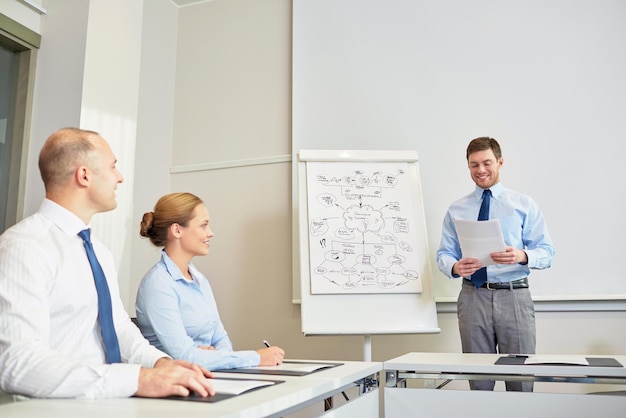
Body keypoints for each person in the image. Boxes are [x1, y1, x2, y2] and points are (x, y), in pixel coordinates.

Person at [0, 128, 215, 402]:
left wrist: (161, 364)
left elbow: (119, 328)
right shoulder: (24, 246)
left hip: (106, 403)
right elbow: (17, 363)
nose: (120, 177)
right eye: (113, 166)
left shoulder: (98, 251)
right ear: (85, 175)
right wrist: (137, 379)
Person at [436, 136, 555, 392]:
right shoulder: (456, 209)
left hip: (514, 296)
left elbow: (546, 252)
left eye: (486, 163)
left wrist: (522, 255)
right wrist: (455, 267)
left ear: (500, 162)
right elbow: (444, 254)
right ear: (468, 166)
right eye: (473, 165)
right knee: (478, 380)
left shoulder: (524, 205)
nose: (480, 170)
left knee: (520, 380)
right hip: (472, 297)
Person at [135, 192, 285, 371]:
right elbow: (185, 357)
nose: (210, 233)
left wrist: (210, 357)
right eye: (203, 226)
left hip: (206, 376)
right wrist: (256, 357)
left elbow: (221, 339)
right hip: (172, 385)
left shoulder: (199, 279)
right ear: (177, 230)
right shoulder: (158, 284)